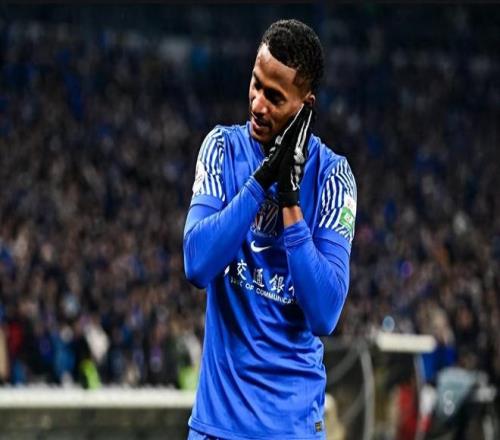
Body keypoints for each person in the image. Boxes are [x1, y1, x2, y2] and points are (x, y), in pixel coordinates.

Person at [183, 19, 357, 440]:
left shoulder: (334, 178)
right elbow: (197, 263)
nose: (258, 104)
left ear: (305, 106)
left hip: (291, 429)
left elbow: (324, 313)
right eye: (256, 85)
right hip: (217, 427)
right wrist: (260, 182)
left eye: (275, 96)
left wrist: (291, 200)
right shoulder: (222, 148)